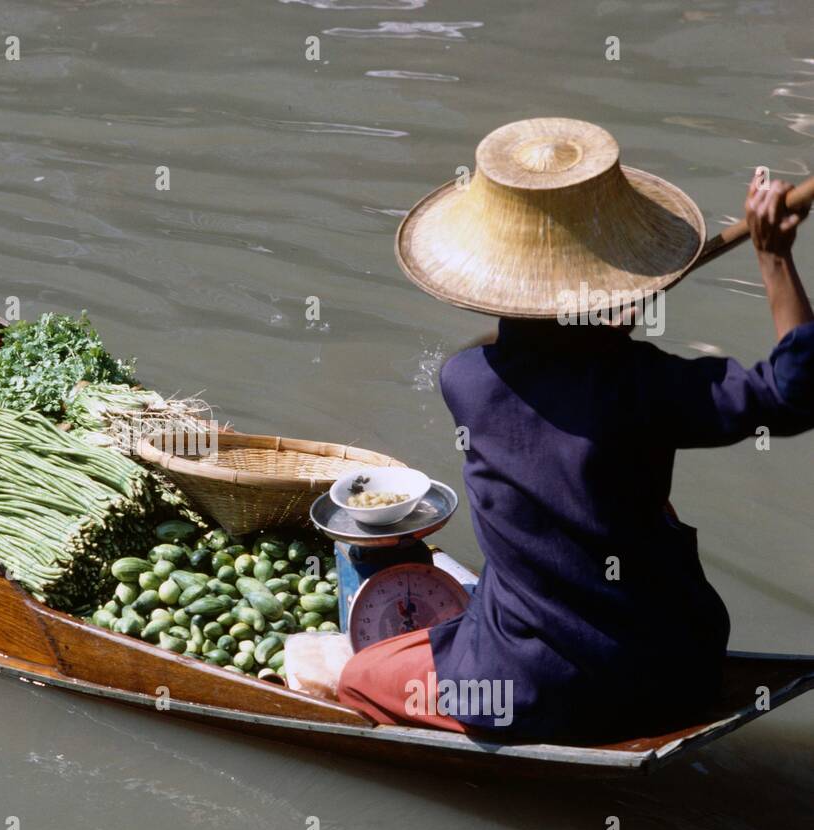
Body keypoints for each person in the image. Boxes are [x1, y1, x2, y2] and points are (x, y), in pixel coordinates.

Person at [329, 118, 813, 739]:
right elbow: (794, 392)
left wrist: (598, 320)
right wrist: (774, 260)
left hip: (534, 683)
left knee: (359, 676)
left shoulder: (466, 381)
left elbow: (514, 358)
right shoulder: (651, 385)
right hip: (679, 664)